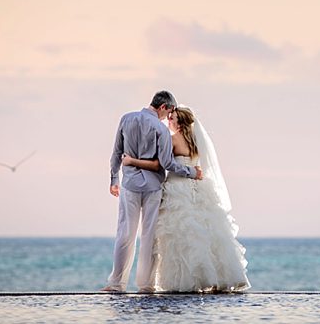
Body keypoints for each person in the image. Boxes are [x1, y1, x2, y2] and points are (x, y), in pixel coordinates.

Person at [122, 106, 249, 293]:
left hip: (177, 188)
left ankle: (185, 280)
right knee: (205, 233)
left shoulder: (171, 139)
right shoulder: (196, 142)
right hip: (197, 188)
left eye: (172, 118)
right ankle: (214, 278)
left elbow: (160, 163)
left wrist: (132, 161)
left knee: (178, 235)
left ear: (179, 125)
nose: (168, 121)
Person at [103, 91, 203, 294]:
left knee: (124, 233)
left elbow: (116, 153)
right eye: (169, 113)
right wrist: (191, 172)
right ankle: (145, 285)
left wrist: (114, 179)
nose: (168, 118)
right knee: (149, 236)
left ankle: (116, 284)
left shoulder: (126, 118)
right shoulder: (161, 130)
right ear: (164, 107)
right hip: (153, 187)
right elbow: (166, 163)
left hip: (129, 185)